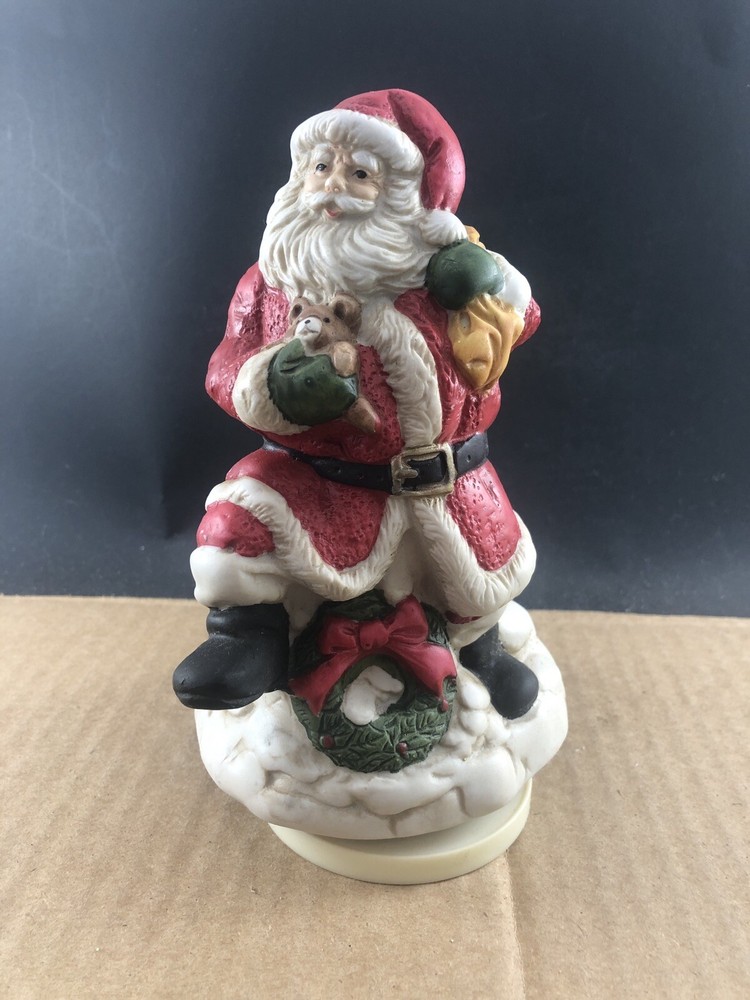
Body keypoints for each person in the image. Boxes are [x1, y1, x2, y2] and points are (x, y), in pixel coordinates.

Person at [173, 89, 542, 719]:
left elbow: (523, 322)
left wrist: (491, 283)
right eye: (321, 167)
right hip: (327, 484)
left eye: (359, 174)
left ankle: (479, 651)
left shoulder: (444, 277)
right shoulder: (272, 282)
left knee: (480, 574)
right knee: (242, 519)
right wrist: (269, 386)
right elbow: (225, 365)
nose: (332, 187)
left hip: (449, 481)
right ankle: (248, 638)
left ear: (403, 194)